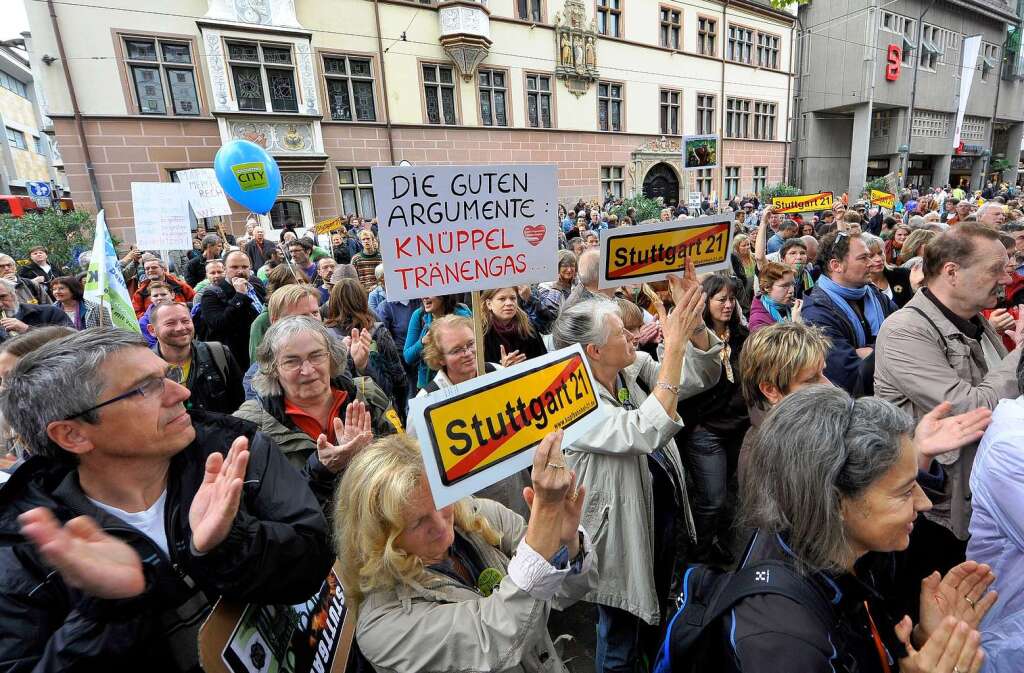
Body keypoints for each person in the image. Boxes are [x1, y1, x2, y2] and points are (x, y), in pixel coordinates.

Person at [0, 328, 334, 669]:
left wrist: (228, 546)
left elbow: (314, 563)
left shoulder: (235, 448)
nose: (181, 392)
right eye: (145, 387)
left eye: (166, 375)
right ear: (72, 434)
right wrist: (106, 609)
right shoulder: (25, 549)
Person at [714, 385, 992, 673]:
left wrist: (923, 640)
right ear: (835, 502)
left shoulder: (850, 551)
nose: (924, 503)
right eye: (905, 491)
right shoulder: (783, 640)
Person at [553, 264, 723, 672]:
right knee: (618, 639)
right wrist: (675, 344)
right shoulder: (569, 401)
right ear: (593, 351)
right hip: (618, 537)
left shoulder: (627, 367)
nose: (632, 336)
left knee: (650, 621)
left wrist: (694, 323)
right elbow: (644, 430)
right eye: (619, 333)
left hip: (654, 518)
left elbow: (698, 377)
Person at [336, 430, 596, 673]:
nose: (440, 524)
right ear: (380, 537)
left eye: (440, 502)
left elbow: (564, 592)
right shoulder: (383, 625)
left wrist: (566, 541)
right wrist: (546, 513)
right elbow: (495, 637)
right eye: (417, 522)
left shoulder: (478, 516)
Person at [876, 224, 1023, 553]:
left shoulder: (974, 320)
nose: (1006, 278)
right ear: (951, 272)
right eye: (996, 269)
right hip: (935, 513)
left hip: (975, 500)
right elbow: (973, 408)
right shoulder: (904, 331)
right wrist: (1020, 355)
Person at [233, 316, 383, 507]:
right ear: (272, 369)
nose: (307, 370)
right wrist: (321, 470)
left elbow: (401, 463)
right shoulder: (249, 428)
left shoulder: (368, 395)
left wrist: (368, 456)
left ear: (332, 357)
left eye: (316, 356)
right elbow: (263, 513)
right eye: (291, 361)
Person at [678, 274, 749, 564]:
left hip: (737, 427)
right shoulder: (693, 340)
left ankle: (715, 540)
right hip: (705, 430)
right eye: (722, 299)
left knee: (725, 493)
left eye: (732, 299)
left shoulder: (743, 337)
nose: (729, 305)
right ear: (706, 303)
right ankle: (698, 555)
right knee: (713, 498)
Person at [801, 232, 898, 396]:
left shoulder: (875, 294)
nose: (871, 263)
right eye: (863, 258)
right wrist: (890, 351)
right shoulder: (817, 312)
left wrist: (868, 352)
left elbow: (907, 336)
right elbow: (849, 376)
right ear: (836, 265)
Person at [149, 301, 245, 415]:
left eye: (186, 321)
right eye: (170, 323)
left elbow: (241, 403)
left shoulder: (218, 354)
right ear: (152, 330)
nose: (180, 327)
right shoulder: (144, 369)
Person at [323, 278, 408, 402]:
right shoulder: (378, 331)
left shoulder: (324, 336)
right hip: (381, 403)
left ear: (333, 302)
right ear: (362, 300)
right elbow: (398, 376)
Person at [201, 250, 267, 370]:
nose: (240, 271)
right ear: (225, 269)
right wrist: (240, 296)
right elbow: (219, 324)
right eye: (234, 267)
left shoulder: (256, 285)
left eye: (244, 267)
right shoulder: (211, 294)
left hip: (263, 351)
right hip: (237, 360)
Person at [404, 294, 472, 392]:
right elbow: (408, 357)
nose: (424, 297)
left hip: (461, 381)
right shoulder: (419, 316)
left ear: (444, 294)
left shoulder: (462, 315)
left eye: (429, 292)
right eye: (422, 292)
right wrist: (422, 342)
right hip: (429, 386)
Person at [481, 287, 548, 366]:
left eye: (513, 298)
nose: (509, 303)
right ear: (489, 304)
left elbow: (544, 362)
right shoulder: (480, 333)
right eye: (502, 299)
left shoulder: (529, 328)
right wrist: (501, 369)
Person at [0, 277, 72, 343]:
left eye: (3, 297)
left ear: (14, 294)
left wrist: (27, 329)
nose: (0, 304)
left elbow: (72, 340)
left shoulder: (49, 312)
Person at [748, 262, 801, 333]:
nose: (791, 290)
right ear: (766, 287)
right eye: (785, 286)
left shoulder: (791, 307)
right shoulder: (758, 322)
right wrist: (796, 325)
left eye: (793, 284)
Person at [864, 234, 914, 308]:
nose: (878, 259)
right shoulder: (858, 286)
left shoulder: (902, 274)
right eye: (871, 256)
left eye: (880, 253)